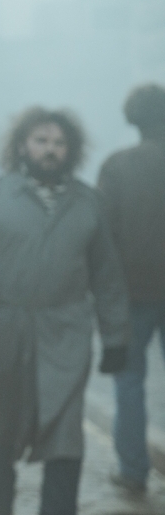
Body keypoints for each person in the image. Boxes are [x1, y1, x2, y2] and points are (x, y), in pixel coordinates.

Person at [0, 107, 129, 515]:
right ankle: (0, 504)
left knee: (65, 431)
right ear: (21, 147)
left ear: (72, 150)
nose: (50, 150)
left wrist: (116, 337)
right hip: (1, 331)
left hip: (65, 332)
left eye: (59, 143)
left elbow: (108, 277)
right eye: (41, 141)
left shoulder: (88, 204)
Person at [100, 84, 165, 496]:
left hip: (130, 293)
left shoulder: (116, 167)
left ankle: (133, 471)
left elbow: (102, 235)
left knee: (128, 383)